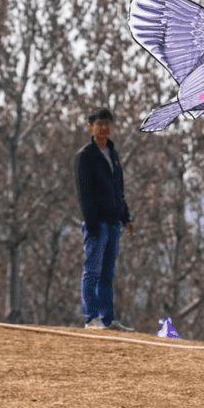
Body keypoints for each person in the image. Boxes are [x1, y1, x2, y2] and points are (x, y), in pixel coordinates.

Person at [74, 107, 135, 331]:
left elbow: (118, 189)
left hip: (113, 222)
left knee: (108, 274)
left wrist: (126, 216)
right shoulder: (85, 156)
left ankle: (107, 319)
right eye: (99, 123)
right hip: (96, 223)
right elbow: (85, 193)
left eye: (107, 124)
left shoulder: (113, 154)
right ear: (91, 126)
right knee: (92, 271)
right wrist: (91, 223)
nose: (103, 128)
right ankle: (91, 318)